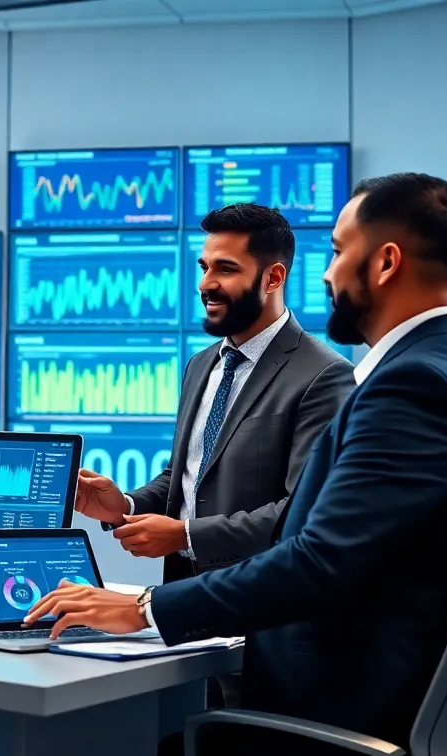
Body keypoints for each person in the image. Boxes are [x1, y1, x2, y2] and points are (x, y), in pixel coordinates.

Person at [25, 173, 447, 756]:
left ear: (386, 262)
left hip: (334, 708)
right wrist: (132, 510)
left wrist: (144, 610)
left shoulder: (411, 386)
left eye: (340, 252)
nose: (328, 272)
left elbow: (318, 558)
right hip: (364, 689)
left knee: (119, 749)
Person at [75, 204, 354, 710]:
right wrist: (127, 508)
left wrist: (184, 535)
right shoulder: (202, 364)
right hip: (181, 612)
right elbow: (187, 476)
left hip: (260, 623)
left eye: (225, 269)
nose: (207, 283)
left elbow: (298, 513)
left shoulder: (323, 374)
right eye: (203, 267)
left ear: (273, 277)